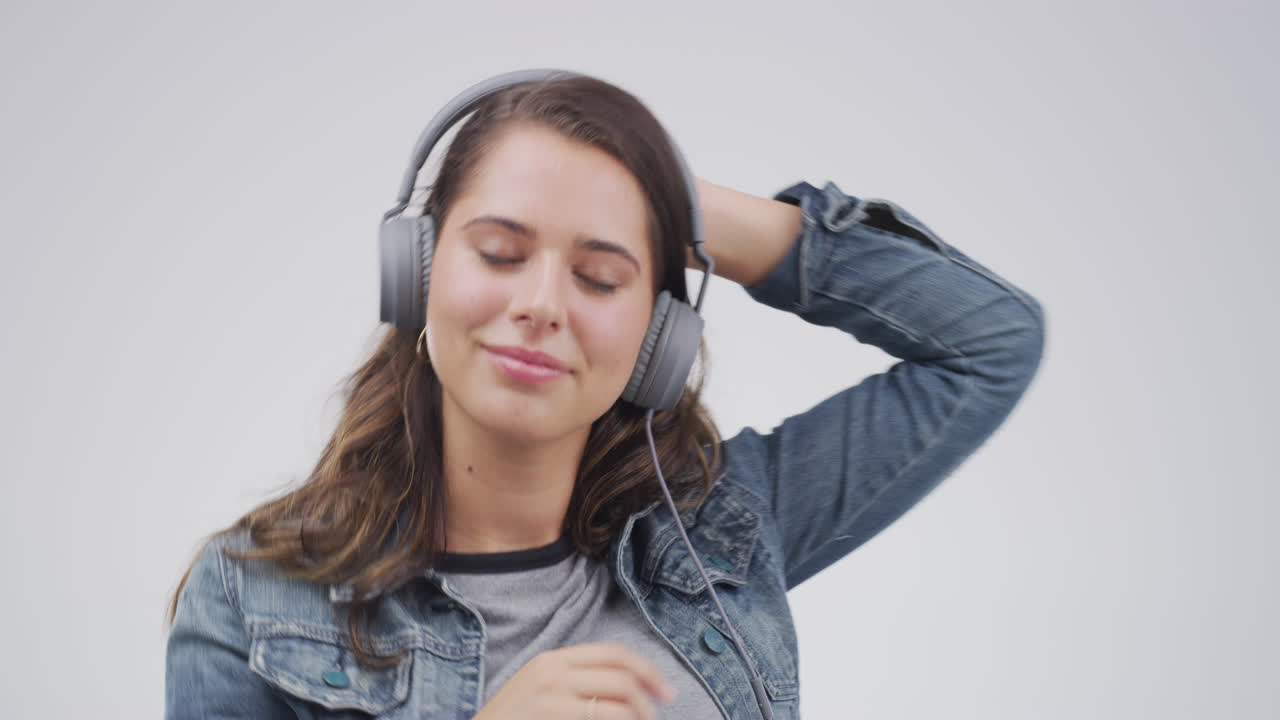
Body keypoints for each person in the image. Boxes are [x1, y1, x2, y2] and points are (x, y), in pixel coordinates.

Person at [164, 72, 1045, 720]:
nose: (542, 305)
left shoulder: (727, 533)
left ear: (659, 337)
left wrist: (675, 206)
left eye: (598, 274)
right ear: (416, 272)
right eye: (502, 253)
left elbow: (990, 344)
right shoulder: (255, 594)